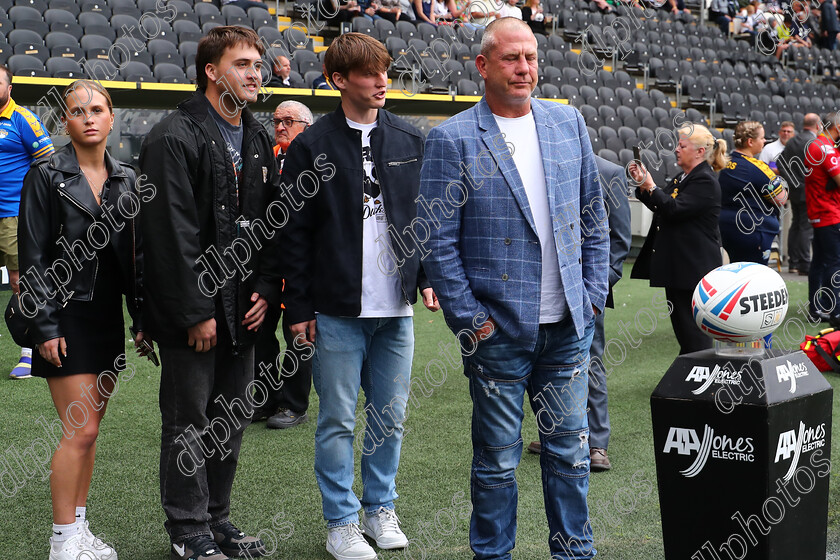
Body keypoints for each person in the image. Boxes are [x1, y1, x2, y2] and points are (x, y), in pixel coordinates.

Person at [420, 18, 609, 560]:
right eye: (511, 58)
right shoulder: (451, 138)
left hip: (568, 328)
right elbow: (438, 241)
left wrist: (592, 295)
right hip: (496, 332)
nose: (525, 67)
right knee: (498, 462)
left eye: (530, 57)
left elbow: (593, 217)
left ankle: (574, 554)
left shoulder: (567, 122)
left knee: (569, 456)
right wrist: (468, 317)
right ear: (483, 66)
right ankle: (493, 555)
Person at [280, 32, 438, 560]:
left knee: (389, 417)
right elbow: (294, 236)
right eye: (370, 73)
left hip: (396, 310)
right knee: (338, 421)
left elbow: (425, 220)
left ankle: (380, 508)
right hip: (335, 310)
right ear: (338, 80)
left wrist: (429, 275)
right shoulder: (311, 146)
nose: (381, 81)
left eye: (385, 71)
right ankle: (341, 522)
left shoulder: (410, 139)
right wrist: (298, 308)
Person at [139, 26, 283, 560]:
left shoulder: (257, 133)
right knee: (188, 422)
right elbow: (168, 236)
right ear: (211, 71)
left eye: (257, 64)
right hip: (194, 314)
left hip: (244, 310)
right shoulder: (173, 135)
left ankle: (216, 520)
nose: (254, 73)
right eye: (242, 64)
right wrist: (197, 311)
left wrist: (267, 287)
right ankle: (187, 531)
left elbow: (271, 221)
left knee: (230, 417)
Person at [19, 79, 145, 560]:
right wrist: (45, 328)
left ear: (112, 118)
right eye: (77, 110)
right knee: (81, 431)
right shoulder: (46, 177)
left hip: (106, 319)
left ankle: (79, 527)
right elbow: (32, 258)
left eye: (97, 109)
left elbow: (137, 259)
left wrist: (141, 317)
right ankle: (62, 541)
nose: (88, 117)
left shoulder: (129, 179)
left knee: (91, 433)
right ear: (66, 122)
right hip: (64, 316)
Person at [527, 155, 631, 473]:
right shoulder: (537, 165)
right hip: (538, 290)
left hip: (585, 294)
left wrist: (594, 292)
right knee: (543, 365)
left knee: (590, 365)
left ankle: (597, 445)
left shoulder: (609, 173)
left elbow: (619, 241)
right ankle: (556, 434)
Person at [630, 123, 728, 355]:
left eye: (682, 145)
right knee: (685, 331)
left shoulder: (704, 180)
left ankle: (701, 378)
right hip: (680, 267)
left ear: (699, 152)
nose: (676, 149)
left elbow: (673, 209)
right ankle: (691, 377)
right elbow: (662, 204)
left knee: (694, 335)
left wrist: (651, 185)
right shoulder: (686, 177)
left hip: (693, 268)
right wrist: (644, 185)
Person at [252, 100, 314, 430]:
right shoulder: (266, 158)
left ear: (307, 125)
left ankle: (293, 404)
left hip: (300, 265)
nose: (280, 126)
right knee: (259, 332)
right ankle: (264, 400)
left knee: (297, 335)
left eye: (289, 121)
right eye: (276, 120)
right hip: (266, 264)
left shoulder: (317, 160)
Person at [0, 64, 55, 379]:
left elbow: (47, 163)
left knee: (22, 282)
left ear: (10, 88)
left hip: (13, 213)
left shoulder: (24, 119)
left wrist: (35, 206)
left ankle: (30, 354)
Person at [718, 120, 788, 265]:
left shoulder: (724, 162)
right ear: (750, 141)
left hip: (726, 228)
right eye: (762, 138)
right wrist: (784, 185)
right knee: (753, 276)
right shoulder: (758, 167)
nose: (764, 141)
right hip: (754, 232)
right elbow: (781, 199)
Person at [803, 112, 840, 326]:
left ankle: (816, 309)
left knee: (820, 262)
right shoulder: (825, 148)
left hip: (820, 212)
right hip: (829, 213)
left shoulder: (817, 145)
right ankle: (833, 310)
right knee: (833, 263)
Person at [777, 113, 819, 275]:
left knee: (796, 225)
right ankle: (803, 264)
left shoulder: (793, 140)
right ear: (817, 125)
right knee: (804, 227)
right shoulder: (814, 142)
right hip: (808, 190)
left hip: (795, 191)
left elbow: (780, 162)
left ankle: (794, 262)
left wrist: (792, 181)